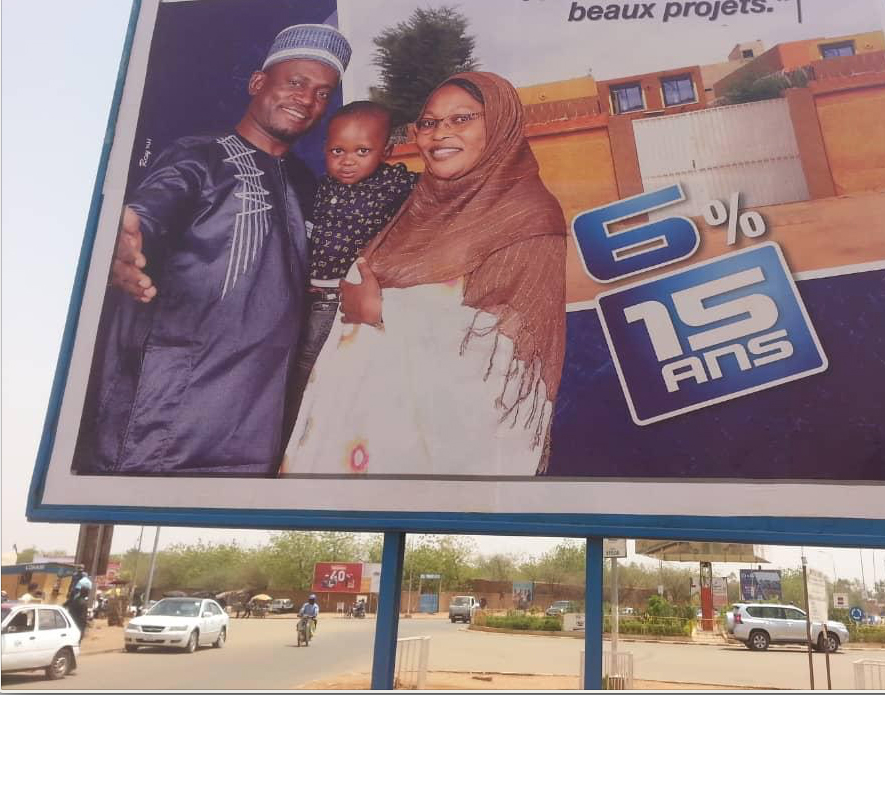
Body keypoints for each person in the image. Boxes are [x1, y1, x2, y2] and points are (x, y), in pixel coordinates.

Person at [73, 24, 352, 476]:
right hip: (166, 421)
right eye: (296, 82)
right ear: (258, 83)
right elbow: (152, 210)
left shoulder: (305, 183)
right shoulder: (198, 156)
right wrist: (120, 245)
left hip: (255, 428)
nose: (307, 99)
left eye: (322, 93)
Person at [280, 71, 567, 478]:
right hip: (355, 426)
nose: (439, 134)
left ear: (500, 123)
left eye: (461, 119)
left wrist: (383, 312)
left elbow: (509, 348)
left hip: (425, 451)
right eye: (429, 123)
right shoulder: (418, 203)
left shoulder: (527, 216)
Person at [282, 101, 416, 438]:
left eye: (362, 151)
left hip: (342, 301)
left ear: (385, 152)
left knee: (322, 369)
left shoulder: (392, 183)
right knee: (299, 369)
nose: (347, 160)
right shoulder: (324, 186)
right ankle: (295, 437)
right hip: (310, 297)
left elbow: (438, 187)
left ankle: (314, 435)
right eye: (337, 151)